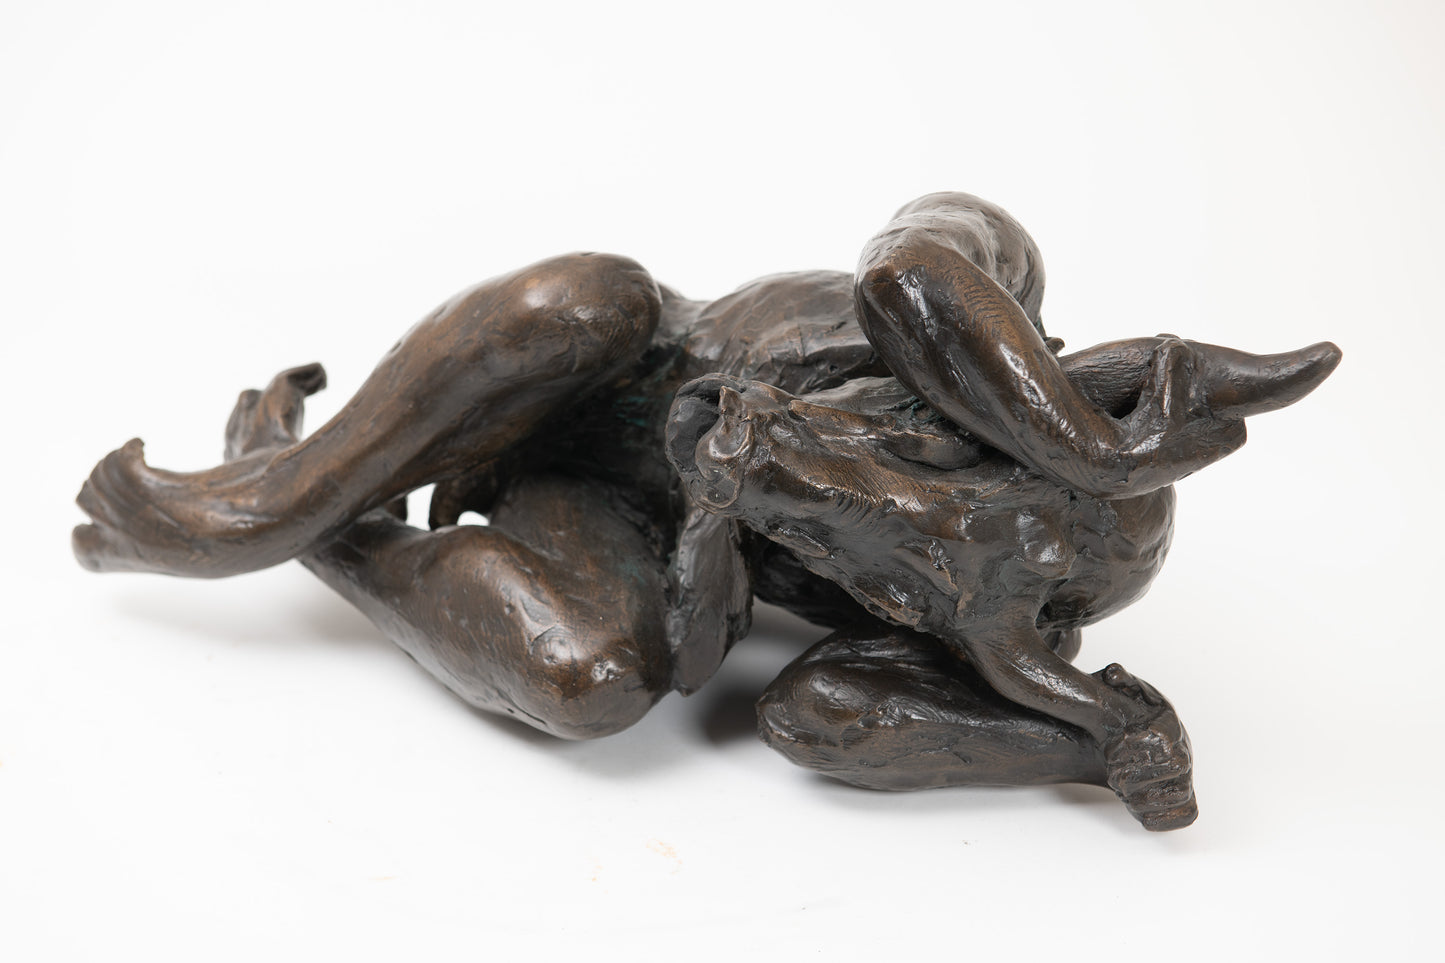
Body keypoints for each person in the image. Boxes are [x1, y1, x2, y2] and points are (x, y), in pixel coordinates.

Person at [73, 193, 1339, 828]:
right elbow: (909, 268)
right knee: (578, 303)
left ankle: (336, 535)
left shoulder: (981, 618)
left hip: (617, 527)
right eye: (940, 467)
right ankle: (267, 500)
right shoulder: (984, 305)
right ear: (1006, 409)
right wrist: (1088, 449)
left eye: (897, 578)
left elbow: (814, 713)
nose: (885, 505)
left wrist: (1086, 740)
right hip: (601, 358)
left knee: (587, 682)